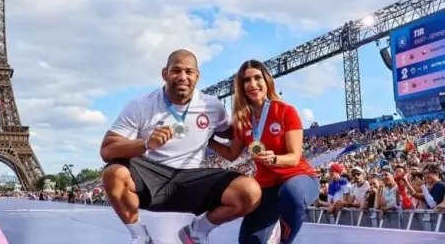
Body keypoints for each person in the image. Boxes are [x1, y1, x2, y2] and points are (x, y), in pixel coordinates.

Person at [101, 49, 262, 244]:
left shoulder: (211, 106)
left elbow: (236, 133)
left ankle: (196, 232)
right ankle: (140, 236)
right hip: (152, 177)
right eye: (176, 70)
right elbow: (107, 150)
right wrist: (145, 143)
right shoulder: (141, 105)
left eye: (189, 71)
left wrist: (257, 108)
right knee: (113, 174)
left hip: (193, 179)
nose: (183, 77)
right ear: (165, 74)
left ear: (197, 76)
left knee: (250, 191)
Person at [208, 59, 319, 244]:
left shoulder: (285, 111)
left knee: (291, 193)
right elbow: (231, 155)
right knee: (248, 241)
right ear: (241, 87)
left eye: (257, 78)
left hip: (298, 178)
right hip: (267, 188)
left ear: (267, 80)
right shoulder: (243, 121)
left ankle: (285, 241)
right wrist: (208, 140)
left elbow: (293, 158)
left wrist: (274, 159)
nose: (252, 84)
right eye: (246, 80)